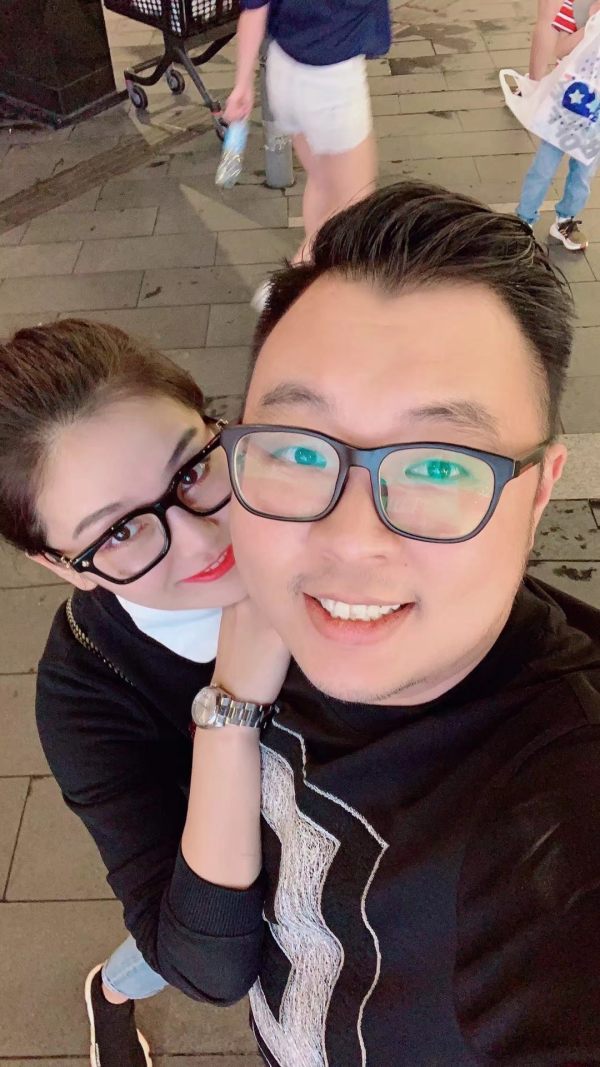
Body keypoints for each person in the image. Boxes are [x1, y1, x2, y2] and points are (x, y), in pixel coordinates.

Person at [203, 182, 599, 1063]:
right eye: (298, 448)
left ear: (540, 490)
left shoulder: (559, 824)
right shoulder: (228, 608)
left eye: (440, 465)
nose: (350, 539)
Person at [0, 319, 288, 1067]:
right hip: (240, 893)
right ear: (61, 564)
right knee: (154, 950)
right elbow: (207, 964)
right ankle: (110, 993)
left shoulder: (327, 514)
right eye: (120, 533)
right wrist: (233, 706)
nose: (203, 542)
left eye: (190, 471)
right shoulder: (87, 690)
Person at [223, 0, 391, 284]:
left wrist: (243, 84)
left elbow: (254, 9)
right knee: (355, 204)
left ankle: (320, 277)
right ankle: (292, 285)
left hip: (284, 70)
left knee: (322, 182)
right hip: (333, 81)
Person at [517, 0, 600, 249]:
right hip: (567, 106)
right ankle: (524, 219)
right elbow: (561, 50)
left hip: (595, 117)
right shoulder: (578, 6)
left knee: (583, 173)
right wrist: (591, 26)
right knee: (544, 166)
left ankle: (566, 220)